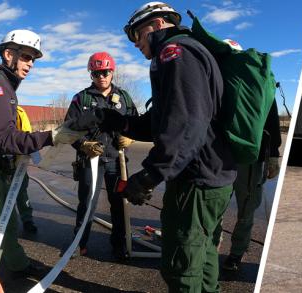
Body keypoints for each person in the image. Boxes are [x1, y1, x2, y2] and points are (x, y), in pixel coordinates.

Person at [95, 2, 237, 291]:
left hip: (196, 182)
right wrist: (121, 122)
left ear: (158, 24)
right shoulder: (185, 51)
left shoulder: (175, 52)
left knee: (181, 268)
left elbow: (185, 124)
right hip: (211, 175)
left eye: (137, 34)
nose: (136, 43)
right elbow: (164, 119)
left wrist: (150, 175)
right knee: (203, 257)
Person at [0, 29, 85, 292]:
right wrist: (50, 136)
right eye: (27, 57)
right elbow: (5, 138)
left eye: (33, 60)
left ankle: (17, 265)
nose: (30, 64)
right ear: (9, 54)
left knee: (7, 225)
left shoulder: (5, 86)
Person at [65, 51, 139, 260]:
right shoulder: (81, 98)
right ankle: (79, 243)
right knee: (87, 203)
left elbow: (136, 123)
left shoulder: (124, 97)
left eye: (105, 72)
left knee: (119, 204)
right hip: (91, 160)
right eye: (96, 73)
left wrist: (131, 137)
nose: (101, 77)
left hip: (117, 160)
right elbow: (68, 129)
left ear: (112, 72)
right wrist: (82, 144)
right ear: (91, 74)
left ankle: (119, 244)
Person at [216, 99, 282, 272]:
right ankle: (216, 246)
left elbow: (271, 118)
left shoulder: (262, 84)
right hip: (226, 151)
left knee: (245, 207)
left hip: (245, 154)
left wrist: (273, 154)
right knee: (220, 204)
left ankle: (235, 251)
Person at [14, 105, 37, 234]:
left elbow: (26, 134)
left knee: (21, 191)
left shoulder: (19, 111)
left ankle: (27, 220)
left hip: (17, 161)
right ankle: (6, 222)